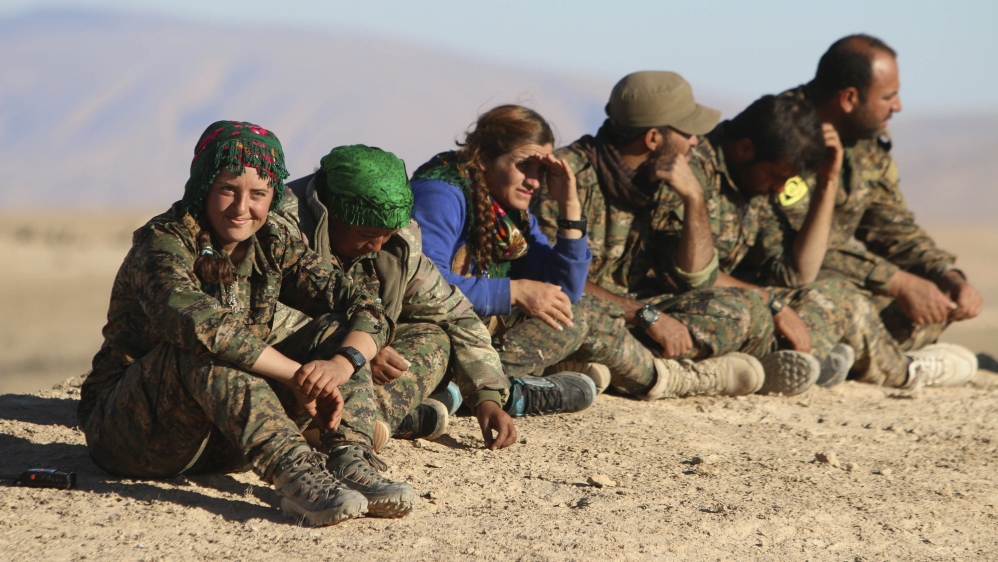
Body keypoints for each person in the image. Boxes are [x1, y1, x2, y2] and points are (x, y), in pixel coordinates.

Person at [79, 121, 412, 527]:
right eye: (227, 190)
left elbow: (365, 304)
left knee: (339, 332)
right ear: (203, 185)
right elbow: (200, 323)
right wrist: (296, 376)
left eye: (258, 194)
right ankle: (297, 474)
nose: (242, 209)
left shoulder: (274, 241)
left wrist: (340, 364)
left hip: (227, 433)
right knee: (204, 347)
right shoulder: (164, 242)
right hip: (136, 432)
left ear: (273, 197)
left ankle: (350, 459)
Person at [413, 104, 765, 403]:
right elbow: (423, 287)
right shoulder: (442, 193)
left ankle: (532, 377)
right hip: (431, 337)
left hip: (476, 331)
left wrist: (570, 204)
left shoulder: (509, 212)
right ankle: (672, 380)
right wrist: (515, 291)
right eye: (524, 164)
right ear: (484, 156)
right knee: (582, 317)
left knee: (575, 313)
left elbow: (568, 289)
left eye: (541, 168)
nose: (534, 181)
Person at [532, 72, 832, 397]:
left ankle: (613, 367)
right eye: (687, 132)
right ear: (652, 139)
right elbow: (554, 279)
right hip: (578, 311)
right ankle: (680, 376)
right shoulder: (565, 176)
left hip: (634, 317)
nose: (695, 141)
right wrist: (642, 314)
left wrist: (695, 199)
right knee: (583, 323)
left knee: (743, 311)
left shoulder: (662, 179)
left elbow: (694, 278)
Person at [759, 34, 979, 387]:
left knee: (933, 307)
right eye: (888, 97)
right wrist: (895, 280)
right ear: (849, 98)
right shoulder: (781, 135)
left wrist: (946, 274)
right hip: (775, 287)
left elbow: (891, 224)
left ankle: (843, 360)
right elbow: (797, 247)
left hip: (830, 288)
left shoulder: (863, 141)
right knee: (848, 304)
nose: (899, 106)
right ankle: (908, 370)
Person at [270, 144, 516, 450]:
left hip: (351, 367)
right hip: (288, 372)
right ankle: (337, 427)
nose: (377, 246)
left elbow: (456, 315)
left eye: (386, 234)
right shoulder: (279, 230)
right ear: (334, 215)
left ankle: (361, 424)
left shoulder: (398, 244)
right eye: (368, 235)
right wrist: (355, 347)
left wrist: (488, 399)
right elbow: (257, 315)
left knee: (433, 337)